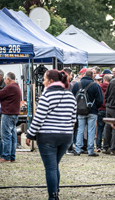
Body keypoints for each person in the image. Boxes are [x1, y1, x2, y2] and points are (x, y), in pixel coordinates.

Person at [26, 69, 76, 200]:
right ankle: (56, 192)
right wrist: (67, 132)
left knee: (50, 167)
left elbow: (38, 118)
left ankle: (52, 197)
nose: (43, 82)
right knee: (54, 165)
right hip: (66, 136)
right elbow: (73, 119)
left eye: (44, 79)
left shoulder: (46, 96)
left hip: (48, 136)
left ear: (51, 81)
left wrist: (30, 134)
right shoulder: (70, 96)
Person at [72, 69, 103, 156]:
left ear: (84, 75)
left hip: (80, 111)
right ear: (92, 76)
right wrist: (95, 107)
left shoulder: (77, 85)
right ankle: (90, 150)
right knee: (91, 130)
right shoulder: (95, 86)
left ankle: (78, 149)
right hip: (92, 111)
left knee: (80, 130)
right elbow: (100, 100)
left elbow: (72, 97)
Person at [0, 72, 21, 163]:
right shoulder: (17, 87)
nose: (5, 81)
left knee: (6, 136)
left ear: (9, 79)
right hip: (14, 114)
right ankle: (12, 156)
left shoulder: (10, 87)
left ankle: (5, 156)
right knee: (13, 136)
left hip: (7, 114)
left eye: (5, 79)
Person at [96, 74, 112, 152]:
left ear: (104, 80)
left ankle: (98, 146)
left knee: (99, 128)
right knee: (108, 128)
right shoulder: (112, 87)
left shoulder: (99, 86)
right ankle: (106, 145)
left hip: (100, 109)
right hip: (109, 109)